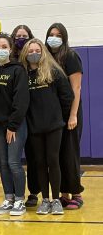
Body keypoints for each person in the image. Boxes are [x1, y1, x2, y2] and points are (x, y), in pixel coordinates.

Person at [20, 38, 74, 215]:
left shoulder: (54, 72)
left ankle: (56, 199)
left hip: (54, 126)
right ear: (25, 54)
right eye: (30, 51)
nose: (33, 53)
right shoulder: (23, 75)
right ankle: (44, 200)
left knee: (53, 160)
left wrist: (63, 119)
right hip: (34, 127)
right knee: (40, 163)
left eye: (37, 50)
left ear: (42, 52)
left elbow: (67, 97)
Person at [0, 34, 29, 216]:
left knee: (14, 163)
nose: (0, 49)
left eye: (4, 46)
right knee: (3, 163)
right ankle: (9, 198)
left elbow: (21, 101)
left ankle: (20, 200)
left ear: (11, 49)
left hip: (15, 126)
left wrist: (12, 126)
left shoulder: (18, 70)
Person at [45, 23, 84, 209]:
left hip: (70, 112)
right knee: (58, 154)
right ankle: (64, 195)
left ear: (64, 37)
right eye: (51, 34)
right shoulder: (46, 58)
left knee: (70, 153)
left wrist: (73, 115)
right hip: (53, 113)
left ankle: (76, 193)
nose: (54, 37)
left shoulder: (70, 56)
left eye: (58, 35)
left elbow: (76, 88)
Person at [11, 25, 39, 207]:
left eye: (25, 36)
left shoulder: (36, 59)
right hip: (17, 117)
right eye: (18, 36)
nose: (21, 38)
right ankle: (13, 194)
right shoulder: (13, 61)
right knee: (12, 159)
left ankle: (34, 193)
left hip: (35, 116)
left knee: (33, 157)